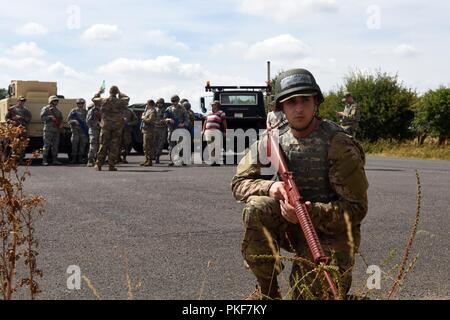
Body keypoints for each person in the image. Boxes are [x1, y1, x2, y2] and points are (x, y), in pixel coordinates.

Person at [231, 68, 369, 300]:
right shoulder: (273, 140)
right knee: (256, 207)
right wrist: (270, 188)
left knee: (312, 295)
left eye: (305, 100)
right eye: (291, 102)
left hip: (331, 234)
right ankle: (268, 292)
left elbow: (357, 209)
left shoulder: (338, 144)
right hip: (290, 227)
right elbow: (238, 183)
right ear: (281, 108)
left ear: (316, 102)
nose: (298, 108)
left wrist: (308, 212)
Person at [92, 86, 130, 171]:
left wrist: (99, 92)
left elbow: (94, 99)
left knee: (103, 144)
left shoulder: (104, 100)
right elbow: (127, 98)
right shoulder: (120, 101)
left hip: (106, 126)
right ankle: (111, 165)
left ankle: (98, 164)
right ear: (116, 93)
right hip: (117, 126)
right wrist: (120, 93)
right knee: (114, 145)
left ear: (109, 92)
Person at [164, 95, 189, 167]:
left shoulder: (182, 108)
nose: (174, 102)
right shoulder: (168, 109)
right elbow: (164, 118)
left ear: (178, 101)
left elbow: (187, 118)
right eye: (172, 101)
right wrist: (168, 119)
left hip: (180, 129)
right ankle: (172, 160)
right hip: (171, 129)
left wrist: (183, 124)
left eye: (175, 101)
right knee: (171, 145)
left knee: (181, 145)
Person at [5, 96, 32, 163]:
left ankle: (21, 159)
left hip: (22, 129)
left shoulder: (26, 110)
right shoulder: (12, 109)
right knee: (14, 144)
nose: (22, 102)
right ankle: (14, 159)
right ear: (18, 101)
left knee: (22, 144)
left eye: (23, 101)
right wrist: (11, 121)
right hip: (14, 129)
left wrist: (22, 118)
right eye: (21, 101)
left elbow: (29, 119)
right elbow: (7, 118)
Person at [40, 95, 64, 166]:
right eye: (54, 101)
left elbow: (61, 119)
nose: (55, 102)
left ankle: (55, 160)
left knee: (55, 145)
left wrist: (61, 124)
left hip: (56, 130)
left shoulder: (58, 110)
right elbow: (42, 118)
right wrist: (49, 117)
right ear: (50, 101)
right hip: (48, 129)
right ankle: (44, 160)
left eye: (56, 101)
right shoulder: (46, 109)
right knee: (46, 145)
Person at [202, 100, 227, 166]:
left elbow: (224, 123)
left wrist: (225, 131)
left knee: (217, 146)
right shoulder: (209, 113)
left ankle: (217, 161)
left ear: (217, 106)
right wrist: (203, 130)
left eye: (213, 105)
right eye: (212, 105)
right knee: (210, 146)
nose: (212, 106)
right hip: (208, 131)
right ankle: (212, 161)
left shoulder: (221, 113)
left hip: (216, 131)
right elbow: (205, 122)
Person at [67, 98, 89, 164]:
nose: (80, 105)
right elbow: (68, 120)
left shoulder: (86, 112)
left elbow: (89, 121)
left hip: (83, 131)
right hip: (75, 131)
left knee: (83, 145)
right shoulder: (73, 111)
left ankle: (80, 158)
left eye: (82, 103)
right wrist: (74, 121)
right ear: (77, 104)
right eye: (79, 103)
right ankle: (73, 159)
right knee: (74, 145)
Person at [140, 99, 156, 167]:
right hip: (146, 130)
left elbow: (150, 120)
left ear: (150, 104)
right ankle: (147, 160)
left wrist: (143, 118)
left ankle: (150, 161)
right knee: (145, 146)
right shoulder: (147, 111)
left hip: (150, 131)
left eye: (147, 104)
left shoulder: (153, 111)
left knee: (148, 146)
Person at [86, 100, 102, 167]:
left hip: (100, 130)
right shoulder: (92, 111)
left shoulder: (101, 110)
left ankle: (97, 160)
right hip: (94, 130)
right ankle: (90, 160)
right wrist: (97, 124)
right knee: (93, 146)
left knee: (99, 146)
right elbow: (88, 122)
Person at [154, 98, 168, 164]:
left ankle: (157, 157)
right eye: (158, 103)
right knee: (154, 143)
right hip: (154, 128)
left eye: (161, 103)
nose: (159, 104)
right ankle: (153, 156)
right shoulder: (154, 110)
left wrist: (164, 120)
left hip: (162, 128)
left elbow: (166, 118)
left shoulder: (165, 111)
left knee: (160, 143)